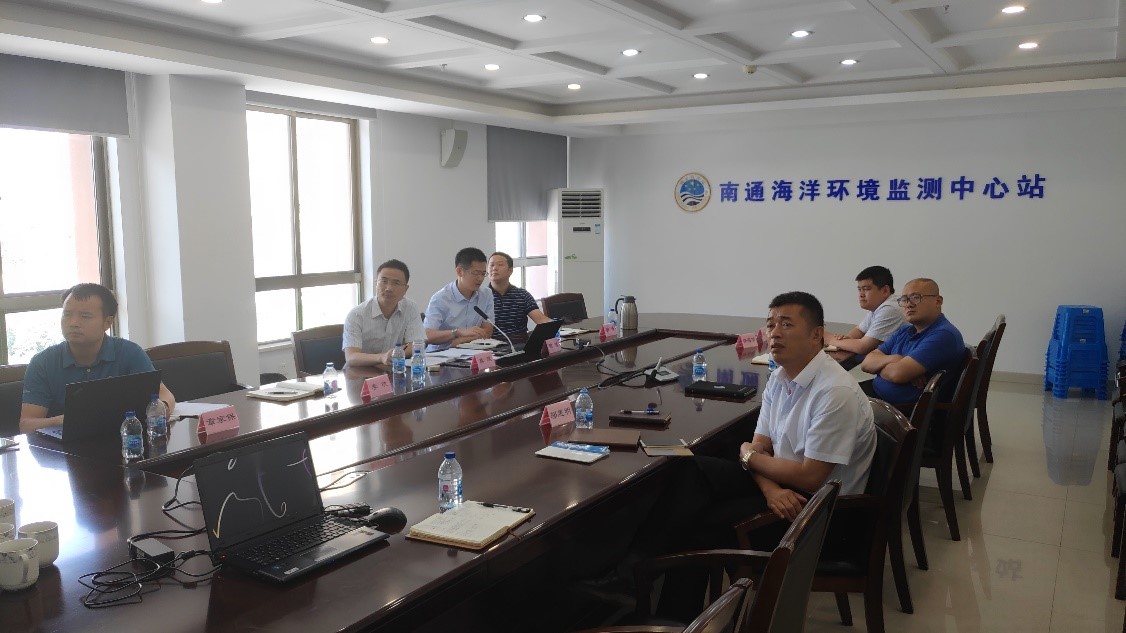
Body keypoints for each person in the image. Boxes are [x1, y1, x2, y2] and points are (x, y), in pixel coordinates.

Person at [630, 292, 876, 619]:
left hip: (820, 517)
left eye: (786, 324)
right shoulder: (781, 377)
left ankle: (642, 582)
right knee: (693, 469)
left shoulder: (834, 392)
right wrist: (768, 486)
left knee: (699, 521)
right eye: (771, 324)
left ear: (817, 334)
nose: (775, 333)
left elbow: (810, 476)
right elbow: (759, 446)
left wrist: (748, 456)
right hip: (786, 490)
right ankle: (644, 580)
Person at [20, 283, 176, 434]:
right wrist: (64, 420)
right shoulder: (43, 363)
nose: (73, 323)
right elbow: (27, 425)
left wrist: (161, 409)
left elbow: (165, 395)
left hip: (120, 441)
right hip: (63, 447)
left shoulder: (129, 352)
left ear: (107, 322)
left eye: (85, 316)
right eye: (67, 314)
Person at [860, 278, 965, 404]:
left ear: (938, 301)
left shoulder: (943, 335)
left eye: (916, 297)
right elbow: (866, 363)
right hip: (877, 396)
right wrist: (897, 359)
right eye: (904, 299)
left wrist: (880, 367)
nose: (908, 304)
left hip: (901, 411)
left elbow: (897, 374)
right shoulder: (905, 331)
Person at [342, 259, 425, 366]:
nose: (388, 288)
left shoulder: (410, 308)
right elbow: (351, 357)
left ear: (405, 289)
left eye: (396, 283)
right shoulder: (357, 315)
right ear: (376, 283)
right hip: (361, 372)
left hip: (393, 369)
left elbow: (417, 344)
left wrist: (395, 354)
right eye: (384, 281)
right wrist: (381, 357)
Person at [825, 265, 905, 366]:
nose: (861, 294)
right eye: (859, 289)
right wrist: (846, 338)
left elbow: (863, 347)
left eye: (866, 289)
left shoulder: (890, 308)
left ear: (885, 290)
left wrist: (827, 338)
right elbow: (860, 330)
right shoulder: (879, 306)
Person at [423, 247, 494, 351]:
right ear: (460, 271)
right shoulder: (441, 298)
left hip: (473, 352)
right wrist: (457, 333)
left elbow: (487, 331)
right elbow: (426, 335)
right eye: (475, 273)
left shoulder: (486, 294)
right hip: (442, 355)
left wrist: (462, 341)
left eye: (483, 274)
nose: (480, 278)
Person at [487, 251, 551, 344]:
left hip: (520, 346)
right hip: (491, 347)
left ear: (510, 270)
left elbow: (541, 320)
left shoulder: (522, 295)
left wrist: (557, 327)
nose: (494, 268)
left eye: (500, 265)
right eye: (491, 265)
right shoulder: (482, 296)